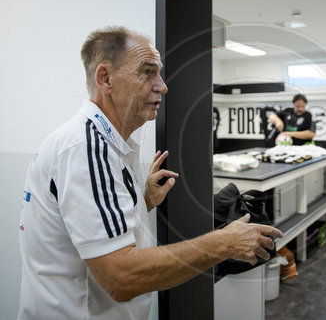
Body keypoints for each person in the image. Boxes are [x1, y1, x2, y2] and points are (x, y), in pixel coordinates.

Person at [18, 26, 283, 319]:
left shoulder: (109, 145)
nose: (162, 86)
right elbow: (121, 278)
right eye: (147, 72)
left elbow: (84, 224)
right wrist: (223, 242)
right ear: (105, 78)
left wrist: (141, 201)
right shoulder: (85, 149)